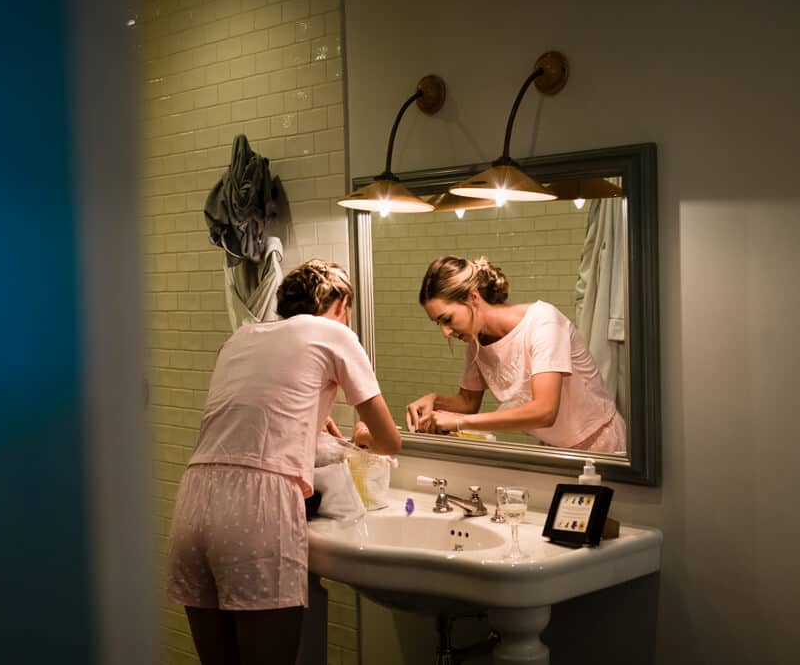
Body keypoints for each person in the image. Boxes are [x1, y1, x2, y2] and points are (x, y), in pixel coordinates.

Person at [165, 259, 401, 665]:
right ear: (342, 302)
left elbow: (256, 420)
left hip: (194, 501)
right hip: (255, 510)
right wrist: (362, 437)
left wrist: (309, 426)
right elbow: (389, 441)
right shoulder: (335, 334)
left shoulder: (240, 337)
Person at [403, 255, 626, 453]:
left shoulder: (543, 322)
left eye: (447, 319)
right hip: (554, 449)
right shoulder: (476, 341)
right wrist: (434, 400)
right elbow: (468, 402)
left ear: (473, 298)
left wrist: (460, 422)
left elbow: (545, 411)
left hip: (599, 444)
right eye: (438, 323)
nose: (445, 332)